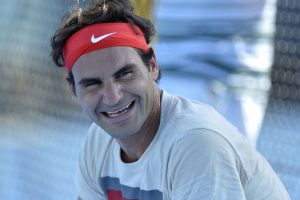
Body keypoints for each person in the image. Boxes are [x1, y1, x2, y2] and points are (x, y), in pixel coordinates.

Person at [50, 0, 290, 199]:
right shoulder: (98, 141)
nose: (112, 96)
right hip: (172, 71)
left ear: (152, 66)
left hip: (225, 82)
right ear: (73, 90)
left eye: (123, 74)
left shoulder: (198, 141)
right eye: (92, 83)